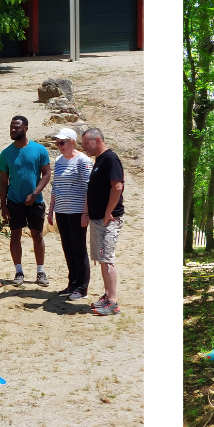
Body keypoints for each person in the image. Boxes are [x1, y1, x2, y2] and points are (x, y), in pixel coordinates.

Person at [0, 117, 52, 285]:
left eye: (16, 127)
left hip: (35, 201)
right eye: (11, 127)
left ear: (26, 128)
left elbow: (47, 174)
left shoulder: (39, 150)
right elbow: (2, 182)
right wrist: (4, 206)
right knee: (15, 235)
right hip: (14, 201)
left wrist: (35, 194)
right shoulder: (6, 153)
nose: (13, 130)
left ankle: (40, 272)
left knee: (37, 235)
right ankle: (19, 271)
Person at [83, 127, 126, 315]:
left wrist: (108, 212)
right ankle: (107, 295)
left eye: (86, 143)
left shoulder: (110, 159)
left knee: (107, 259)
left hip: (109, 219)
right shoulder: (99, 160)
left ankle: (113, 302)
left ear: (97, 140)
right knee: (102, 259)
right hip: (97, 218)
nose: (84, 147)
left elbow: (117, 187)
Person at [46, 129, 93, 300]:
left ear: (72, 142)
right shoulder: (59, 160)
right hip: (62, 211)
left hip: (77, 211)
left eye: (62, 143)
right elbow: (55, 187)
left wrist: (86, 212)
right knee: (67, 248)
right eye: (57, 143)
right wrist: (51, 210)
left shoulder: (83, 161)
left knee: (78, 248)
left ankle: (82, 287)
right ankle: (72, 283)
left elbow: (89, 187)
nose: (59, 146)